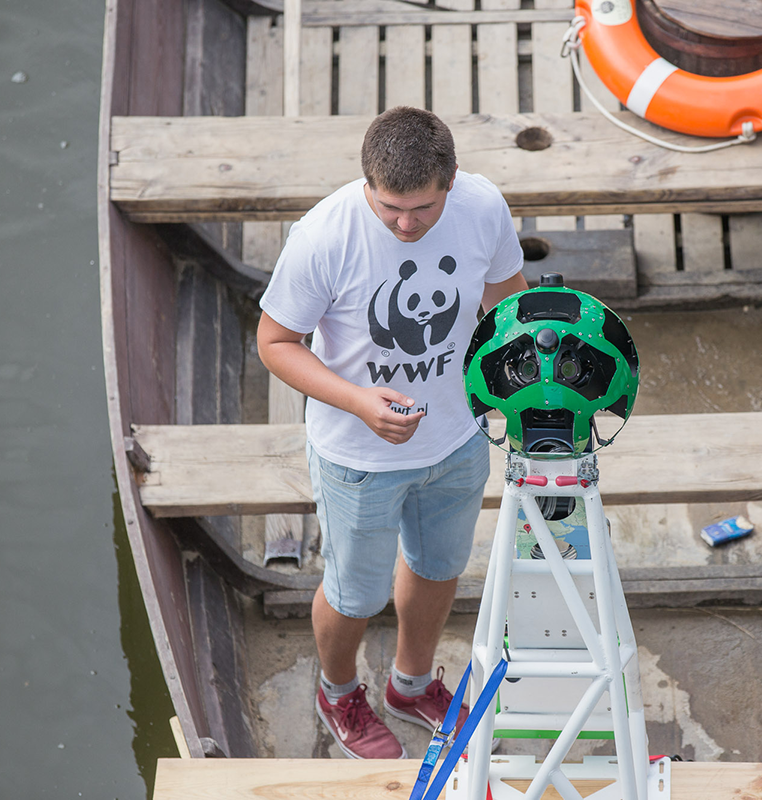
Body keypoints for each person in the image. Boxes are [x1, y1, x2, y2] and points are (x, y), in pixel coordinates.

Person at [257, 106, 528, 759]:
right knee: (355, 594)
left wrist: (519, 396)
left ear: (452, 181)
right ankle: (339, 691)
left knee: (438, 569)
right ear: (367, 185)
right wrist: (357, 401)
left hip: (459, 436)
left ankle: (410, 684)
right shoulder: (324, 236)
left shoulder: (484, 207)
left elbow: (509, 303)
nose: (406, 224)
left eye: (423, 209)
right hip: (356, 455)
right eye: (389, 208)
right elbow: (275, 342)